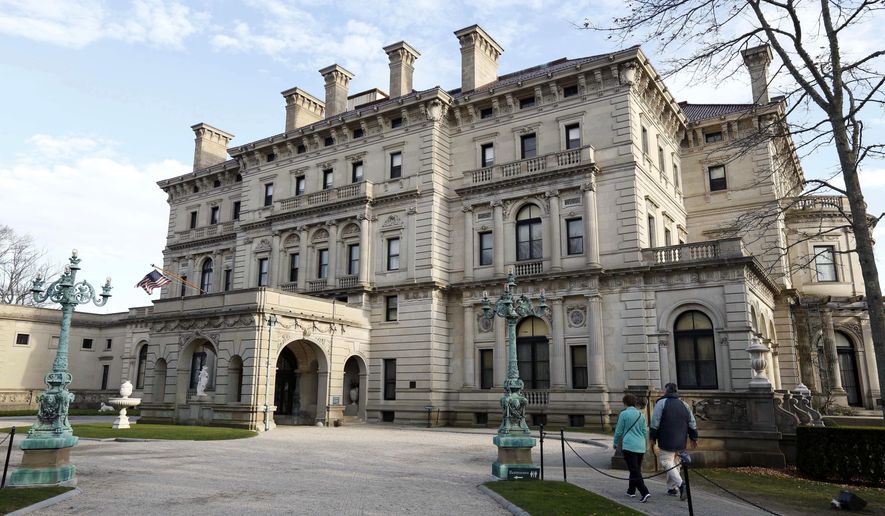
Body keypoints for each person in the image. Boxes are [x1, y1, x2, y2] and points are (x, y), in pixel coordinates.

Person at [649, 383, 698, 500]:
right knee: (675, 462)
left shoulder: (661, 403)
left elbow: (655, 422)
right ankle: (671, 488)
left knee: (666, 461)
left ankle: (681, 485)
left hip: (666, 437)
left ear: (666, 391)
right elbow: (692, 421)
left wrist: (652, 437)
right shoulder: (684, 404)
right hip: (681, 438)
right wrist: (694, 437)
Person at [613, 393, 651, 503]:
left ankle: (644, 492)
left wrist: (615, 442)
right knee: (635, 469)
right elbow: (645, 431)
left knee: (634, 470)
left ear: (625, 403)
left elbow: (619, 430)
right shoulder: (641, 415)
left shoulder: (624, 414)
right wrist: (646, 444)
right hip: (640, 445)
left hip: (629, 445)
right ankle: (631, 490)